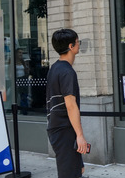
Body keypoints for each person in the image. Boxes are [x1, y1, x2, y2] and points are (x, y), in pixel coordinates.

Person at [46, 28, 88, 178]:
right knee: (70, 173)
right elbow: (70, 105)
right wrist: (80, 135)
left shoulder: (55, 68)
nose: (79, 45)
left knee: (78, 170)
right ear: (71, 46)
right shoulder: (67, 72)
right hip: (64, 130)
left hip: (58, 127)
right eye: (78, 42)